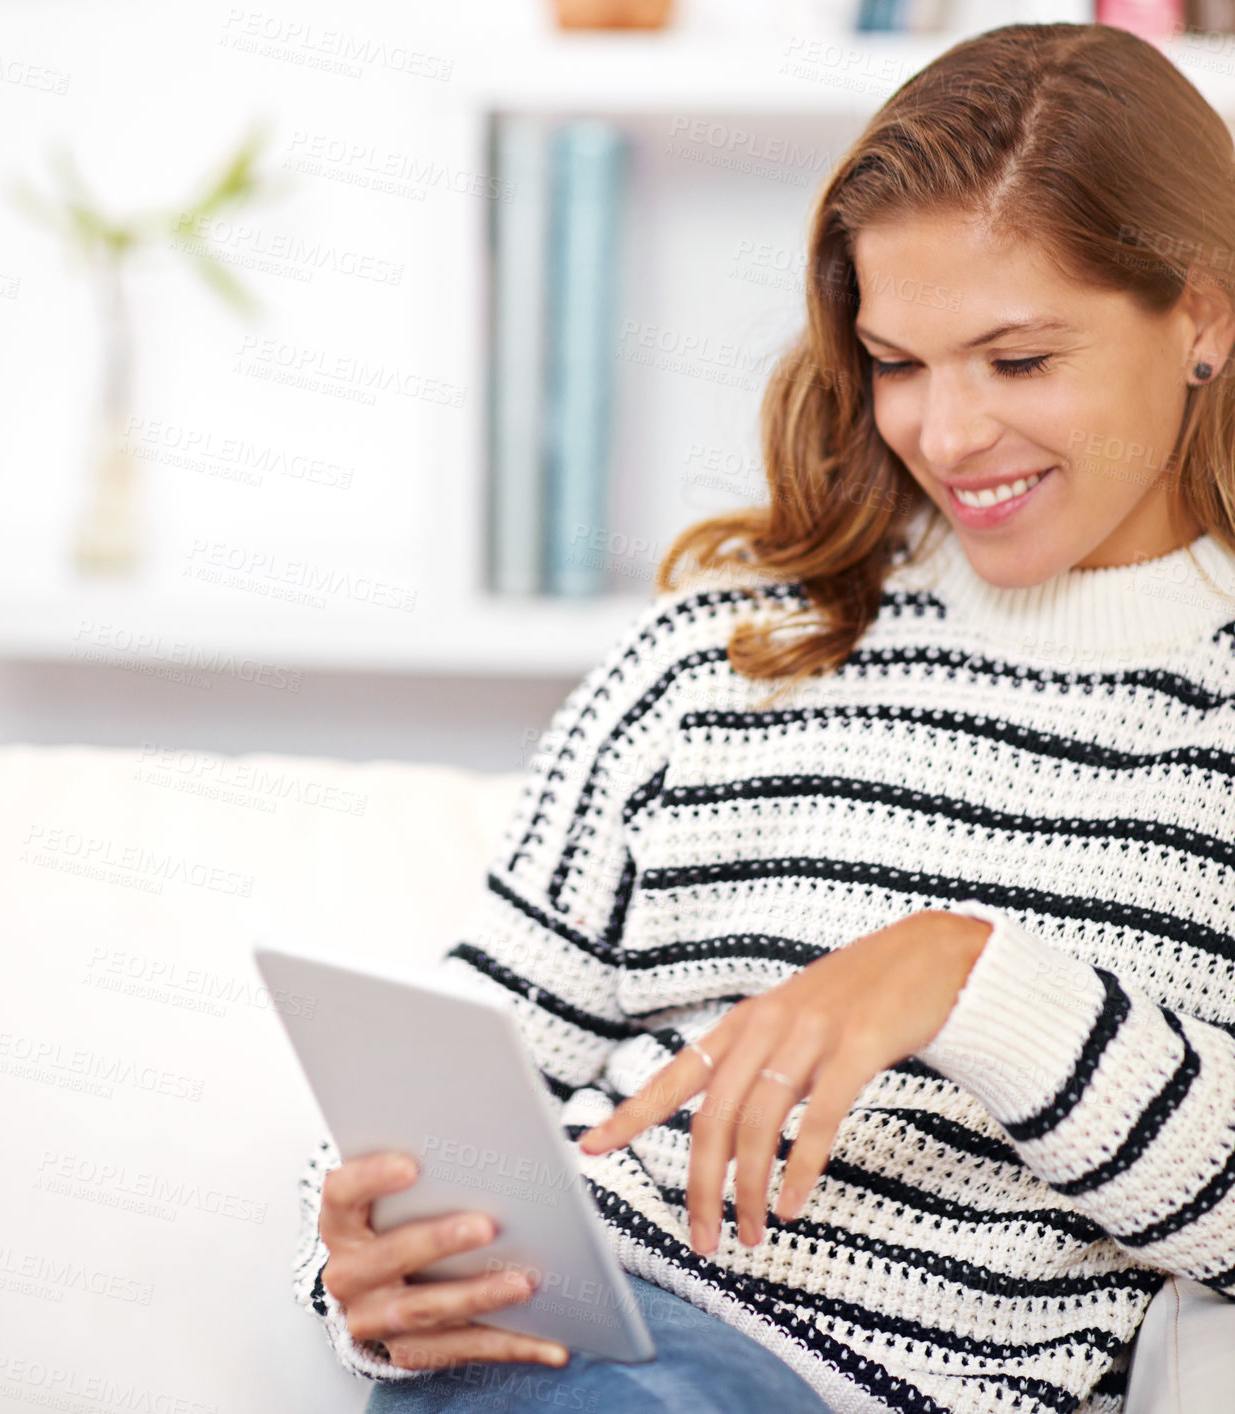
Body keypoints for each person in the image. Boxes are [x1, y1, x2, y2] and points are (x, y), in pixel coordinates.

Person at [292, 21, 1235, 1414]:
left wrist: (966, 976)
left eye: (1018, 361)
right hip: (565, 1353)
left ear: (1203, 314)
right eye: (897, 361)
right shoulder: (717, 653)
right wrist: (373, 1263)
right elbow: (467, 1067)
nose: (947, 433)